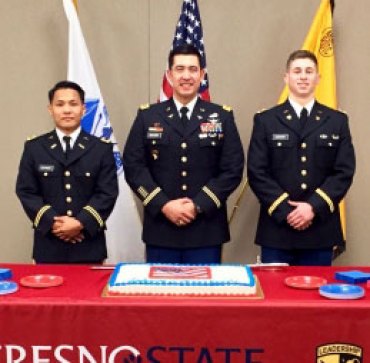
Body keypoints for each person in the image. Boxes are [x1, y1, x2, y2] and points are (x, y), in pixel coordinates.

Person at [122, 44, 244, 264]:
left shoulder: (221, 116)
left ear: (202, 74)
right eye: (179, 69)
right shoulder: (148, 116)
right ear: (169, 75)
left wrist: (198, 205)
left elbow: (233, 169)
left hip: (206, 229)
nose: (186, 76)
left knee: (204, 297)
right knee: (161, 296)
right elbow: (134, 167)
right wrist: (164, 205)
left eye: (192, 69)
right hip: (161, 228)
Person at [247, 50, 355, 266]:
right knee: (276, 297)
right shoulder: (266, 120)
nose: (303, 76)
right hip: (277, 229)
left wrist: (312, 207)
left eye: (309, 71)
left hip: (320, 229)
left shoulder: (337, 120)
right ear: (286, 77)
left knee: (316, 297)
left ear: (318, 78)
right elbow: (257, 171)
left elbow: (343, 171)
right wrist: (286, 211)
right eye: (297, 71)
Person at [16, 81, 118, 263]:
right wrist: (54, 223)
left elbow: (107, 193)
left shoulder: (100, 149)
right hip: (49, 244)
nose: (67, 110)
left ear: (83, 109)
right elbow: (26, 191)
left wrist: (80, 223)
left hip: (89, 245)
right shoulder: (35, 148)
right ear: (50, 109)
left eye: (73, 104)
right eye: (60, 104)